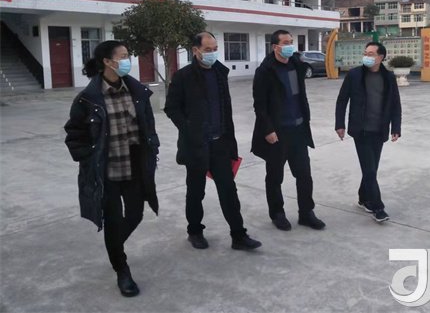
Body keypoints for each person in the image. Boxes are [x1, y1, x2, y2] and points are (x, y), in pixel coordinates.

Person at [64, 40, 160, 297]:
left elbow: (148, 126)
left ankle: (114, 246)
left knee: (136, 214)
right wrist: (89, 158)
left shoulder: (137, 92)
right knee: (114, 221)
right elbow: (74, 135)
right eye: (124, 56)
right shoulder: (88, 99)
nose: (128, 60)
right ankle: (121, 268)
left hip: (134, 166)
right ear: (107, 61)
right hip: (106, 172)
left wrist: (153, 147)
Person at [164, 32, 261, 251]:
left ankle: (238, 235)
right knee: (195, 192)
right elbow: (171, 108)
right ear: (195, 50)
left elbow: (224, 109)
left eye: (215, 49)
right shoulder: (183, 76)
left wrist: (229, 141)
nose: (212, 53)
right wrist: (189, 129)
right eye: (208, 50)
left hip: (220, 143)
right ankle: (195, 231)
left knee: (228, 190)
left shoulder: (219, 73)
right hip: (196, 145)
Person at [251, 30, 325, 231]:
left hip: (298, 130)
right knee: (275, 177)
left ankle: (306, 213)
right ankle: (277, 213)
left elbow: (300, 96)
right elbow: (260, 105)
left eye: (291, 42)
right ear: (275, 47)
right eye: (285, 42)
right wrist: (268, 130)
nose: (290, 46)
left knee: (304, 175)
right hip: (277, 133)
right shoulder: (265, 71)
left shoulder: (296, 65)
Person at [334, 42, 402, 223]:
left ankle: (363, 198)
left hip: (379, 130)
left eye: (371, 54)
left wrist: (396, 127)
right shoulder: (354, 75)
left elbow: (395, 103)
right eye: (365, 53)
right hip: (361, 130)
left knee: (371, 169)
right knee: (370, 170)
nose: (367, 56)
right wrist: (339, 124)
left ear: (381, 57)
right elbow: (342, 100)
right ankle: (378, 208)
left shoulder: (388, 77)